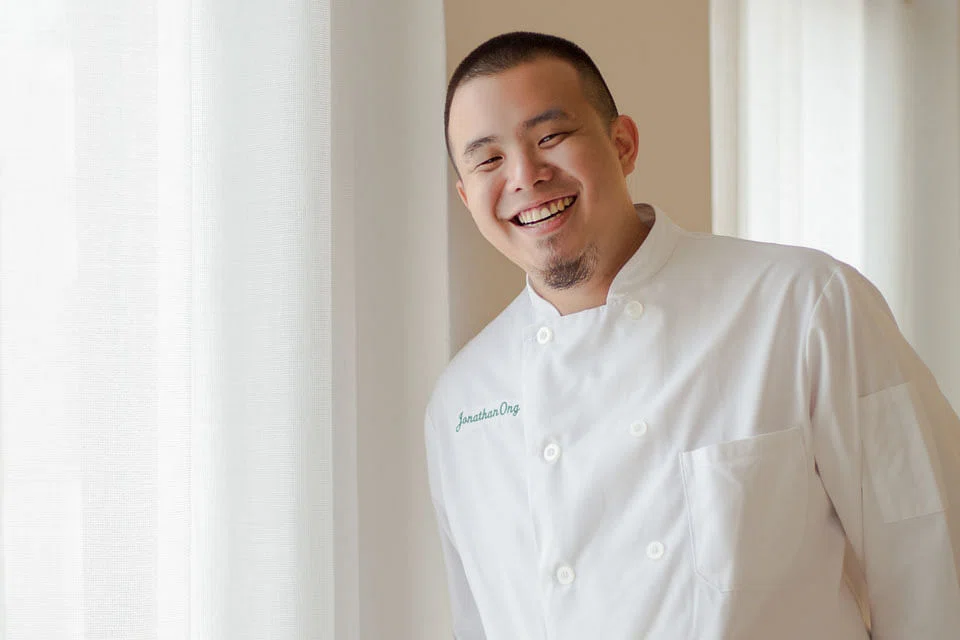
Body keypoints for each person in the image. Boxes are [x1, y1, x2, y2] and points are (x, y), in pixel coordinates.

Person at [424, 31, 960, 639]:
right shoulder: (462, 401)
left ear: (623, 144)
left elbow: (933, 558)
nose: (525, 175)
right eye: (488, 160)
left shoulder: (803, 305)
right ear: (466, 196)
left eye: (550, 137)